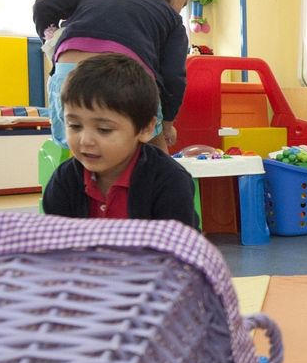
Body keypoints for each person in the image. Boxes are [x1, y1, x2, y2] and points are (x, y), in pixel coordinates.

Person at [34, 0, 191, 153]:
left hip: (68, 75)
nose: (180, 9)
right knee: (156, 155)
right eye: (184, 3)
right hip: (124, 78)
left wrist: (51, 38)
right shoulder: (171, 18)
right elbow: (173, 78)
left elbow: (43, 7)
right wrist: (167, 123)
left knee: (84, 150)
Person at [42, 53, 199, 230]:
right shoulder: (65, 181)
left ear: (145, 129)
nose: (85, 141)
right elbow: (55, 247)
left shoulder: (168, 181)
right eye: (75, 126)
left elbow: (182, 250)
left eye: (104, 130)